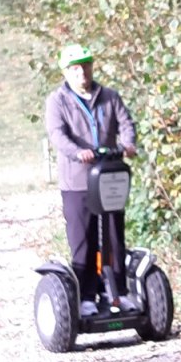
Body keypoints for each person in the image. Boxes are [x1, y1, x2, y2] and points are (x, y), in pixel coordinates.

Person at [43, 43, 136, 315]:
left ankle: (117, 294)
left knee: (114, 237)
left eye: (85, 66)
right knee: (82, 238)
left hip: (108, 176)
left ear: (92, 67)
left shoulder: (109, 96)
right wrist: (77, 152)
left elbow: (126, 123)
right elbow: (57, 134)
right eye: (75, 68)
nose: (81, 72)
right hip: (77, 181)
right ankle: (86, 297)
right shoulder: (57, 100)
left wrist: (128, 144)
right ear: (66, 72)